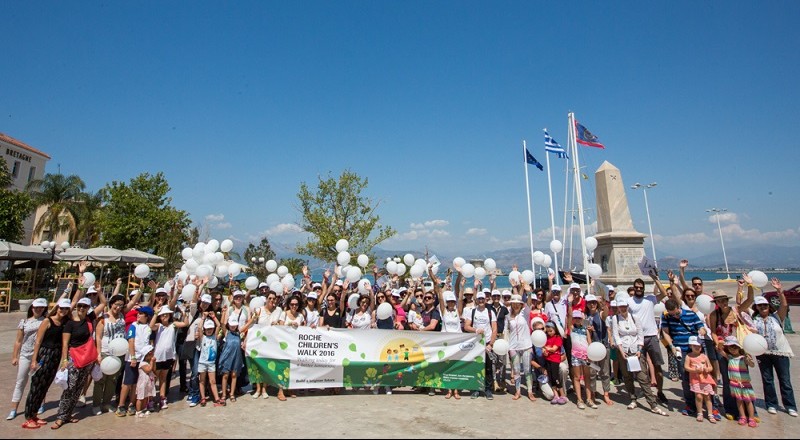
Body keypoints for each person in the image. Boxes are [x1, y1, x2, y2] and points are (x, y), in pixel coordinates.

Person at [610, 298, 668, 416]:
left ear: (628, 306)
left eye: (624, 306)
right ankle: (633, 398)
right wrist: (621, 351)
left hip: (636, 350)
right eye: (620, 306)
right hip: (624, 350)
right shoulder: (615, 319)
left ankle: (652, 404)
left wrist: (640, 349)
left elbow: (640, 334)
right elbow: (616, 335)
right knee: (627, 376)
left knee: (642, 377)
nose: (622, 308)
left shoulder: (635, 318)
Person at [21, 298, 71, 429]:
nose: (63, 311)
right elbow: (38, 341)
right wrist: (34, 360)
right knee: (36, 386)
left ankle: (34, 414)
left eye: (66, 309)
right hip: (44, 354)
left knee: (44, 386)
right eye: (61, 308)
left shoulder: (64, 323)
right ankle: (28, 417)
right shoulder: (47, 321)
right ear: (57, 308)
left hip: (55, 356)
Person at [752, 279, 797, 417]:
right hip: (763, 353)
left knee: (785, 379)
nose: (763, 307)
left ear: (769, 306)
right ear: (757, 308)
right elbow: (742, 305)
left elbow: (784, 305)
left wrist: (779, 291)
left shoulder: (776, 317)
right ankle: (771, 404)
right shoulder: (754, 320)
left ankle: (790, 405)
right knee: (767, 380)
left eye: (765, 305)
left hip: (780, 352)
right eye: (760, 306)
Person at [52, 297, 97, 430]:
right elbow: (65, 344)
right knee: (69, 388)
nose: (81, 308)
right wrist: (65, 360)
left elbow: (104, 303)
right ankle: (61, 416)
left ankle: (68, 414)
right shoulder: (70, 324)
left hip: (86, 359)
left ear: (88, 308)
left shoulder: (89, 321)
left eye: (84, 306)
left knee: (78, 389)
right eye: (79, 306)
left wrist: (99, 292)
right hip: (74, 359)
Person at [662, 299, 706, 417]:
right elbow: (665, 332)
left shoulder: (690, 314)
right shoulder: (666, 317)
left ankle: (706, 403)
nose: (675, 317)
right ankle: (690, 405)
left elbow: (700, 326)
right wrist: (671, 346)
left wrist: (702, 330)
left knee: (702, 377)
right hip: (680, 351)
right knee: (685, 378)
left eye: (676, 313)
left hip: (695, 350)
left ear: (679, 307)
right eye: (672, 314)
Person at [8, 298, 47, 421]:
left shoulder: (46, 321)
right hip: (25, 354)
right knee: (20, 381)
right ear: (32, 308)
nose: (38, 310)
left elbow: (58, 307)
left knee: (38, 381)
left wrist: (67, 291)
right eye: (36, 307)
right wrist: (15, 356)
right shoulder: (24, 322)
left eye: (41, 308)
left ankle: (40, 404)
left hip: (40, 354)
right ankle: (14, 408)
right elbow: (18, 341)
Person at [632, 274, 668, 404]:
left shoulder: (650, 299)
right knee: (641, 369)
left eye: (640, 287)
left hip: (652, 336)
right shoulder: (630, 301)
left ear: (643, 288)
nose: (638, 289)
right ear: (634, 288)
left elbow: (664, 293)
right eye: (636, 287)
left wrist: (655, 279)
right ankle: (646, 392)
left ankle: (660, 391)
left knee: (657, 365)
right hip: (637, 338)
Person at [92, 294, 127, 415]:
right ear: (111, 304)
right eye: (116, 304)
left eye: (121, 305)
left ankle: (106, 403)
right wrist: (98, 354)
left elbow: (133, 302)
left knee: (112, 380)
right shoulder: (104, 318)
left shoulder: (122, 316)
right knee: (100, 380)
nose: (118, 307)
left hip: (119, 353)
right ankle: (96, 404)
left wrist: (140, 290)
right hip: (105, 352)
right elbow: (98, 336)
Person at [116, 305, 153, 417]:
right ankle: (121, 405)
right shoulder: (133, 326)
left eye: (141, 314)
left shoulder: (148, 328)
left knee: (136, 383)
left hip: (143, 360)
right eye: (138, 313)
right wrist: (132, 357)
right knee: (127, 383)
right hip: (133, 359)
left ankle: (132, 404)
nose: (138, 315)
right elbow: (131, 341)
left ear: (147, 317)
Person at [150, 305, 189, 409]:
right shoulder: (158, 325)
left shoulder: (173, 324)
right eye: (163, 315)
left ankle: (163, 398)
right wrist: (156, 313)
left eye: (166, 314)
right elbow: (151, 326)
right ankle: (151, 399)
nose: (165, 316)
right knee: (154, 379)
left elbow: (185, 323)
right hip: (158, 356)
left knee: (163, 378)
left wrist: (184, 313)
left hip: (169, 356)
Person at [465, 290, 497, 400]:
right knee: (476, 367)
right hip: (476, 344)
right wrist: (475, 329)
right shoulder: (472, 312)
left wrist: (491, 344)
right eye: (479, 299)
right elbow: (466, 326)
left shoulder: (490, 312)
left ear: (486, 299)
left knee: (488, 368)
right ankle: (476, 389)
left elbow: (494, 329)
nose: (481, 301)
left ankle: (488, 389)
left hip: (487, 343)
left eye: (483, 299)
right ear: (476, 300)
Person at [719, 337, 757, 427]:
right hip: (734, 383)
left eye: (734, 347)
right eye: (730, 347)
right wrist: (722, 343)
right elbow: (719, 349)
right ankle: (742, 416)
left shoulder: (743, 358)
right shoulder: (730, 358)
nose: (732, 349)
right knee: (739, 401)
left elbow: (752, 365)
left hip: (745, 383)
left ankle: (751, 417)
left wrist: (749, 360)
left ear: (739, 347)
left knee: (748, 401)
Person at [585, 294, 613, 406]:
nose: (592, 304)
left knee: (605, 372)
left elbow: (606, 313)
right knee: (592, 371)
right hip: (593, 349)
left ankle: (606, 393)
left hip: (603, 346)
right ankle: (592, 392)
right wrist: (589, 346)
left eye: (594, 302)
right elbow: (587, 332)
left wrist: (603, 303)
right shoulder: (585, 317)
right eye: (590, 302)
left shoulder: (600, 314)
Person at [505, 294, 534, 401]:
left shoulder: (525, 313)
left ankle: (530, 392)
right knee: (516, 370)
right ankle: (518, 392)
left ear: (521, 305)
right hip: (513, 346)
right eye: (514, 303)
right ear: (511, 304)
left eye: (518, 304)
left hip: (526, 345)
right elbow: (506, 331)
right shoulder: (508, 316)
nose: (516, 305)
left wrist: (528, 292)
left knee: (527, 369)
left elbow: (529, 303)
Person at [685, 336, 717, 423]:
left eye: (699, 346)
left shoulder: (704, 356)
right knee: (698, 396)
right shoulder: (689, 356)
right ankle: (700, 413)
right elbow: (686, 367)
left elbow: (710, 367)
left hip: (706, 379)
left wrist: (707, 369)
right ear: (690, 346)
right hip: (695, 380)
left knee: (707, 396)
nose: (697, 347)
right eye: (695, 346)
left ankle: (710, 414)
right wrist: (694, 370)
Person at [570, 310, 595, 409]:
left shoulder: (586, 329)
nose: (577, 320)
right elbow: (568, 319)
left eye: (579, 318)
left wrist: (590, 355)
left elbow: (589, 342)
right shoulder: (571, 328)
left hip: (585, 356)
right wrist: (570, 304)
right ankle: (579, 399)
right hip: (575, 355)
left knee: (587, 377)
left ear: (582, 319)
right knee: (576, 377)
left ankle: (589, 399)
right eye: (575, 318)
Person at [218, 315, 244, 403]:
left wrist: (253, 318)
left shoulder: (239, 333)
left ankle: (232, 393)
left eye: (234, 324)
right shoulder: (226, 332)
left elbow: (247, 325)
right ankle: (224, 394)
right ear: (228, 325)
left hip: (236, 357)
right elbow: (221, 324)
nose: (233, 326)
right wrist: (224, 313)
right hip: (227, 357)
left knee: (234, 375)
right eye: (231, 324)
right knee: (225, 375)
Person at [197, 316, 222, 407]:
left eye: (211, 328)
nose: (209, 330)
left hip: (211, 364)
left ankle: (217, 398)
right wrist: (203, 318)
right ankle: (203, 397)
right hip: (202, 363)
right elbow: (199, 327)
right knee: (202, 381)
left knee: (213, 381)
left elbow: (219, 325)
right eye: (207, 329)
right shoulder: (202, 337)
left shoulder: (214, 337)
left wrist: (214, 317)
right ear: (205, 329)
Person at [543, 322, 567, 405]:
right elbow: (545, 350)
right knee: (551, 378)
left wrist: (545, 347)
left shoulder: (558, 338)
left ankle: (563, 395)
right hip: (548, 359)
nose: (549, 333)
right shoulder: (546, 338)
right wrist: (544, 351)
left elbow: (554, 349)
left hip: (555, 360)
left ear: (555, 330)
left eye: (551, 331)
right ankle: (556, 395)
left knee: (555, 377)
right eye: (548, 331)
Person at [135, 345, 156, 417]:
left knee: (146, 396)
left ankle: (144, 408)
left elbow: (153, 370)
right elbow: (148, 370)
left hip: (148, 382)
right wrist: (152, 362)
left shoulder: (149, 363)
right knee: (140, 397)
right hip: (142, 383)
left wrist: (154, 362)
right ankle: (138, 411)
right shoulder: (142, 363)